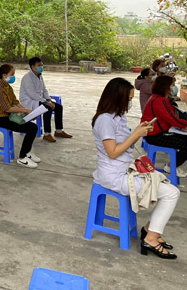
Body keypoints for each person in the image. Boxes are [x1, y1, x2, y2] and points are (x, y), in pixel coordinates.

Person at [92, 77, 179, 259]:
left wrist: (139, 131)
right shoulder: (105, 120)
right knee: (171, 193)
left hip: (125, 169)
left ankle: (150, 230)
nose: (130, 103)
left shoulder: (118, 116)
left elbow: (125, 145)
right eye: (128, 99)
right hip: (114, 175)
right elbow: (113, 152)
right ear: (117, 98)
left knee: (167, 187)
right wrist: (136, 135)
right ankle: (151, 238)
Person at [0, 64, 40, 168]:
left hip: (7, 116)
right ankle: (22, 158)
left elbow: (15, 101)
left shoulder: (7, 86)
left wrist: (29, 113)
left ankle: (27, 152)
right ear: (4, 75)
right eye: (12, 74)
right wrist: (25, 110)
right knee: (31, 128)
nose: (13, 77)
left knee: (32, 126)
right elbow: (7, 108)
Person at [141, 75, 187, 178]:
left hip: (156, 132)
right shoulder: (160, 100)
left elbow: (170, 118)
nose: (173, 88)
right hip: (156, 136)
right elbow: (172, 119)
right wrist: (183, 124)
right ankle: (171, 166)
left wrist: (181, 125)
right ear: (165, 87)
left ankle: (173, 165)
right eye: (172, 85)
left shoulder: (156, 98)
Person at [19, 57, 72, 143]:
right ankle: (47, 134)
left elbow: (44, 90)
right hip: (29, 102)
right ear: (32, 66)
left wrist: (48, 100)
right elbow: (32, 94)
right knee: (47, 108)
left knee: (59, 107)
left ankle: (59, 131)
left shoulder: (40, 76)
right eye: (39, 65)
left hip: (39, 100)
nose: (41, 67)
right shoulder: (27, 78)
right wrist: (46, 102)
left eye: (42, 65)